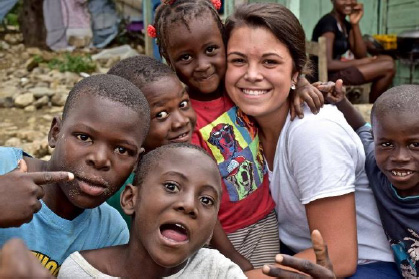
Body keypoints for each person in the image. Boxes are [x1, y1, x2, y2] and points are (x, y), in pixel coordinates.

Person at [224, 3, 397, 278]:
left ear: (296, 73)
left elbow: (336, 256)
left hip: (364, 268)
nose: (252, 74)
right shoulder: (241, 126)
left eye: (270, 62)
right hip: (297, 255)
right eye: (238, 60)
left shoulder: (312, 130)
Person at [151, 0, 324, 269]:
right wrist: (230, 254)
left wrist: (299, 83)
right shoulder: (184, 117)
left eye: (211, 50)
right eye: (185, 57)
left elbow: (272, 83)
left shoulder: (237, 88)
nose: (202, 65)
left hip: (266, 219)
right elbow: (195, 193)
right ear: (169, 60)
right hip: (218, 235)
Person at [58, 143, 336, 279]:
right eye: (171, 186)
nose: (189, 205)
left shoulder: (218, 272)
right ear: (131, 199)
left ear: (210, 229)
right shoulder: (82, 272)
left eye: (206, 201)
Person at [0, 74, 150, 275]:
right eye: (84, 137)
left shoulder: (110, 231)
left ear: (136, 163)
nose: (100, 159)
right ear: (55, 132)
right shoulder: (3, 165)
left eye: (122, 150)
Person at [324, 83, 418, 278]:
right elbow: (362, 128)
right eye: (386, 144)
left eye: (415, 144)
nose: (399, 157)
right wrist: (340, 101)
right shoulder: (377, 168)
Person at [106, 55, 197, 227]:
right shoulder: (124, 188)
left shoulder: (189, 157)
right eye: (161, 114)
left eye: (183, 104)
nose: (181, 121)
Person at [311, 0, 395, 103]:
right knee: (388, 66)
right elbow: (328, 64)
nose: (349, 2)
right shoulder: (328, 23)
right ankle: (374, 105)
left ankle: (374, 105)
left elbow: (361, 55)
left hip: (336, 72)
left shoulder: (345, 24)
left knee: (387, 59)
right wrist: (362, 62)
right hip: (326, 76)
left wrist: (355, 24)